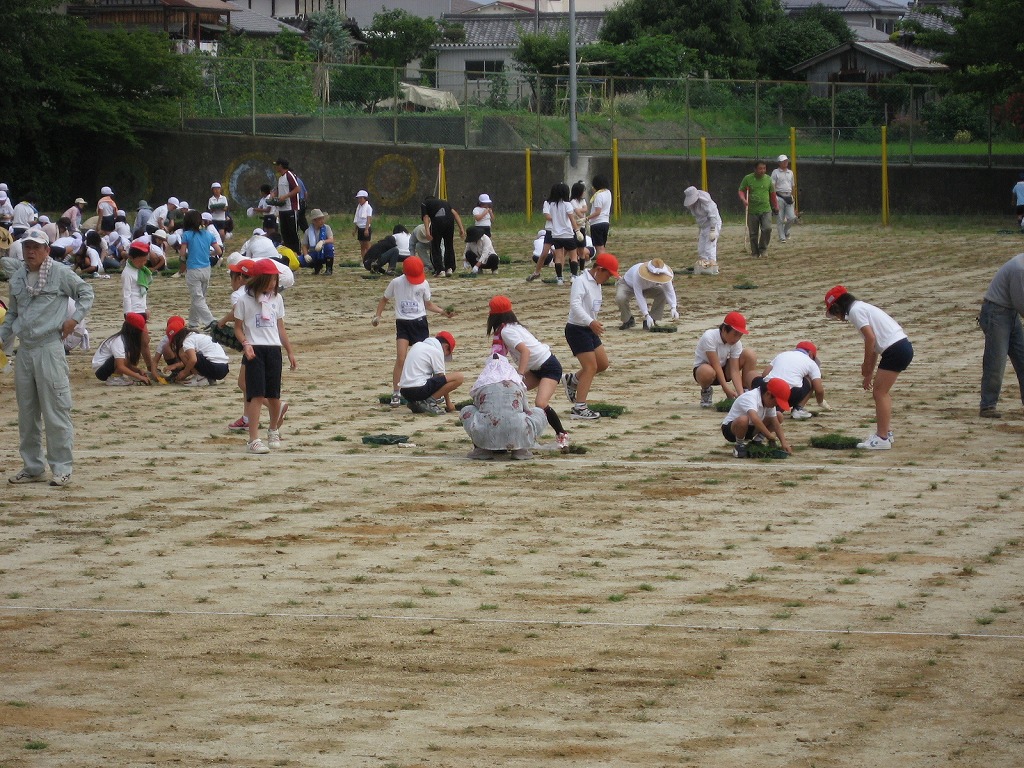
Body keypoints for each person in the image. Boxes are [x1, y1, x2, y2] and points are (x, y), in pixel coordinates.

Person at [2, 229, 94, 487]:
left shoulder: (60, 273)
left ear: (46, 249)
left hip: (49, 348)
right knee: (27, 412)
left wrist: (74, 320)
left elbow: (86, 292)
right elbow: (12, 315)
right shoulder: (18, 277)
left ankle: (61, 467)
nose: (30, 251)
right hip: (25, 350)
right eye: (27, 247)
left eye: (36, 247)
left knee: (55, 409)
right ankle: (32, 467)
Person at [825, 285, 913, 450]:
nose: (837, 318)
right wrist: (868, 374)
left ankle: (882, 438)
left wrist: (866, 365)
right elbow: (873, 345)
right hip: (900, 347)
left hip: (896, 349)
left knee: (880, 393)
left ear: (837, 306)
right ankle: (886, 432)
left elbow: (870, 339)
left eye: (834, 313)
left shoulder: (855, 311)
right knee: (882, 392)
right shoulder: (860, 308)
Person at [487, 295, 570, 449]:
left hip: (549, 367)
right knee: (513, 393)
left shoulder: (507, 331)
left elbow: (525, 352)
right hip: (535, 368)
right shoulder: (514, 326)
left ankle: (562, 434)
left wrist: (519, 375)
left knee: (541, 403)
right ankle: (519, 432)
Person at [372, 255, 455, 407]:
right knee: (401, 358)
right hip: (402, 324)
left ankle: (432, 391)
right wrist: (377, 316)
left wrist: (443, 312)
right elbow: (384, 299)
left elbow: (428, 304)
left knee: (425, 358)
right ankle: (396, 392)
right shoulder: (396, 282)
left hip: (420, 323)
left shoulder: (424, 283)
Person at [234, 258, 297, 454]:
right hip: (255, 349)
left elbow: (280, 328)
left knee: (274, 395)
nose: (273, 283)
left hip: (273, 349)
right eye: (270, 279)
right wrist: (246, 344)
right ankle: (253, 439)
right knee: (256, 395)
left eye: (275, 280)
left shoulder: (277, 299)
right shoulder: (244, 300)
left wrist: (289, 351)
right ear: (259, 279)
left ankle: (273, 429)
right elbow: (238, 328)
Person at [561, 252, 620, 420]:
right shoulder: (580, 281)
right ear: (599, 269)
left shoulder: (597, 283)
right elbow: (575, 306)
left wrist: (592, 323)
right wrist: (590, 322)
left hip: (589, 328)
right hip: (577, 329)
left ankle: (572, 380)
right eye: (608, 274)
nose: (608, 278)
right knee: (590, 367)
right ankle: (579, 408)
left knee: (602, 364)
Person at [460, 354, 548, 460]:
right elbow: (526, 409)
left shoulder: (482, 385)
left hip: (487, 430)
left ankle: (482, 450)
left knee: (467, 410)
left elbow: (478, 408)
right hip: (517, 429)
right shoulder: (517, 385)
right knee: (539, 412)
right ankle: (521, 449)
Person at [978, 252, 1024, 418]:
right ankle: (988, 406)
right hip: (996, 313)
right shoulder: (1020, 269)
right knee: (996, 362)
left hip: (1010, 313)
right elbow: (1021, 302)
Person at [693, 311, 759, 408]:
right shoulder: (709, 337)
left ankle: (745, 391)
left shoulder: (736, 344)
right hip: (704, 372)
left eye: (740, 335)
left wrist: (740, 394)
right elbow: (716, 365)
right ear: (724, 329)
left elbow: (734, 370)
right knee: (707, 371)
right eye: (735, 334)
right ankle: (706, 390)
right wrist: (726, 390)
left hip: (724, 369)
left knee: (749, 354)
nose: (737, 338)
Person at [721, 377, 793, 458]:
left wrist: (784, 443)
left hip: (751, 428)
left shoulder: (767, 401)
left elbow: (775, 423)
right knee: (743, 420)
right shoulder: (751, 397)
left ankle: (757, 442)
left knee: (779, 416)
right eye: (776, 402)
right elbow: (755, 419)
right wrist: (769, 436)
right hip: (732, 430)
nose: (776, 405)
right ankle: (739, 445)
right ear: (768, 394)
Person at [398, 331, 463, 415]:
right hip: (418, 389)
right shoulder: (436, 351)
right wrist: (448, 403)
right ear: (446, 346)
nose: (445, 356)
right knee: (459, 377)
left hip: (405, 392)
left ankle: (417, 403)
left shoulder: (417, 345)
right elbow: (441, 378)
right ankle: (429, 402)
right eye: (447, 353)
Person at [178, 209, 223, 329]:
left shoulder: (186, 235)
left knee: (197, 298)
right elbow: (219, 251)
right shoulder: (208, 234)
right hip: (206, 268)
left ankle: (210, 321)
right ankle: (193, 323)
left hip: (193, 269)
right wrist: (209, 254)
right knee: (198, 297)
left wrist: (185, 256)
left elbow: (182, 253)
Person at [762, 341, 830, 420]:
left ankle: (765, 407)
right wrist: (820, 402)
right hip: (789, 394)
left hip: (768, 393)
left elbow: (765, 374)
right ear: (811, 354)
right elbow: (819, 389)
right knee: (811, 379)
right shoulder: (811, 363)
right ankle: (798, 409)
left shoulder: (782, 355)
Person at [527, 183, 578, 285]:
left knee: (560, 254)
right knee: (545, 253)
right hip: (552, 230)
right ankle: (537, 272)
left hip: (557, 232)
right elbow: (548, 216)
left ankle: (559, 276)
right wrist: (561, 219)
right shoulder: (548, 203)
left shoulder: (559, 204)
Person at [91, 313, 154, 386]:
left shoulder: (126, 341)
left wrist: (138, 371)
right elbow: (120, 366)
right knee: (124, 356)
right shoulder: (119, 341)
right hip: (101, 371)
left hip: (108, 365)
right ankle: (115, 379)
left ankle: (117, 377)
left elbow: (126, 364)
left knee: (125, 356)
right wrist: (139, 377)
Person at [615, 259, 679, 330]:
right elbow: (639, 296)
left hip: (647, 287)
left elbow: (669, 291)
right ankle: (628, 320)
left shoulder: (665, 273)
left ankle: (652, 319)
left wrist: (673, 307)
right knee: (620, 298)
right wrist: (646, 315)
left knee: (662, 293)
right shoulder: (638, 275)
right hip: (627, 284)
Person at [738, 160, 778, 258]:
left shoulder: (768, 179)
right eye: (760, 169)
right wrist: (743, 199)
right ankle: (755, 252)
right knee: (753, 233)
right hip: (752, 210)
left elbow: (772, 194)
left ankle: (763, 249)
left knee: (767, 229)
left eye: (764, 168)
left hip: (766, 209)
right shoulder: (748, 179)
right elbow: (741, 190)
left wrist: (775, 205)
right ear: (755, 169)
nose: (762, 171)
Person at [420, 195, 466, 277]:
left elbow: (425, 216)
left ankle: (440, 270)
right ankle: (449, 268)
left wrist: (427, 231)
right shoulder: (444, 202)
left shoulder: (424, 203)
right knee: (449, 245)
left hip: (437, 222)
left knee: (435, 246)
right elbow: (455, 214)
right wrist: (461, 228)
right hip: (449, 221)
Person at [683, 186, 723, 275]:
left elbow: (713, 216)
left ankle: (713, 267)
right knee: (701, 248)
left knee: (709, 246)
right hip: (704, 226)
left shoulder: (706, 202)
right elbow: (699, 218)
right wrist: (700, 228)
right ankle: (704, 266)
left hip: (713, 224)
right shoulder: (693, 206)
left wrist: (713, 230)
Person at [272, 158, 302, 253]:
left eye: (277, 165)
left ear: (281, 166)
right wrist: (274, 194)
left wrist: (285, 196)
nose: (276, 167)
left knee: (292, 230)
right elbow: (279, 190)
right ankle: (288, 250)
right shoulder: (280, 178)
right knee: (284, 231)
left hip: (290, 208)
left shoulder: (289, 175)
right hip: (282, 209)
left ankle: (297, 250)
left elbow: (297, 189)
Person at [121, 240, 154, 318]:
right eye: (140, 261)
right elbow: (126, 295)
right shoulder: (127, 273)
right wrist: (128, 313)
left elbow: (143, 292)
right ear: (131, 258)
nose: (143, 264)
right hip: (133, 310)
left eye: (145, 261)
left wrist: (145, 308)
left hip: (141, 309)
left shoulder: (141, 271)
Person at [772, 155, 797, 243]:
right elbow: (773, 185)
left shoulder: (790, 173)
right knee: (780, 218)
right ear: (779, 163)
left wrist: (793, 196)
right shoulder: (775, 172)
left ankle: (785, 231)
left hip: (789, 196)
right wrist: (774, 197)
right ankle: (782, 237)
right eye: (783, 161)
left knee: (792, 217)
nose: (785, 162)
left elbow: (792, 185)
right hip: (779, 196)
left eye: (786, 161)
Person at [302, 208, 335, 276]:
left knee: (329, 247)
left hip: (324, 251)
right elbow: (304, 245)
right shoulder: (308, 231)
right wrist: (305, 255)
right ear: (314, 221)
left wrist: (323, 242)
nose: (322, 221)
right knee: (300, 261)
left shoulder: (327, 228)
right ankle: (317, 266)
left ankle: (329, 269)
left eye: (323, 219)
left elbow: (331, 240)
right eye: (320, 219)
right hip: (313, 252)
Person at [588, 175, 612, 255]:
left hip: (597, 223)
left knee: (599, 248)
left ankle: (602, 262)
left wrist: (587, 218)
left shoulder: (598, 195)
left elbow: (597, 212)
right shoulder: (608, 193)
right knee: (602, 246)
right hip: (606, 222)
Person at [570, 180, 590, 270]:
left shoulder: (583, 200)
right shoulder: (572, 201)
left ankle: (582, 270)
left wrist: (580, 211)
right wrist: (585, 218)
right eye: (583, 191)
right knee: (573, 251)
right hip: (575, 227)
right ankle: (573, 271)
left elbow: (585, 209)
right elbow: (578, 212)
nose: (584, 193)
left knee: (581, 250)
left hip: (582, 227)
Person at [353, 190, 373, 262]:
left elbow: (368, 219)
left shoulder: (368, 207)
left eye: (361, 198)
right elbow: (357, 219)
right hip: (360, 228)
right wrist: (355, 230)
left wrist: (366, 229)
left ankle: (370, 260)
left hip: (365, 228)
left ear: (365, 198)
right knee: (362, 246)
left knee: (367, 245)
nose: (359, 200)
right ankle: (364, 260)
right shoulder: (358, 207)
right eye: (358, 198)